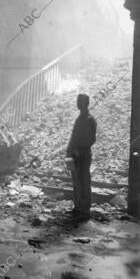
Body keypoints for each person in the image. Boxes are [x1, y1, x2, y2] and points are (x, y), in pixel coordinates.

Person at [66, 93, 96, 221]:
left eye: (81, 101)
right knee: (76, 181)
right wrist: (69, 151)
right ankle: (78, 206)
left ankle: (84, 209)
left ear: (86, 103)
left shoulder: (90, 120)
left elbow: (91, 140)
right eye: (78, 101)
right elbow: (73, 137)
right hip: (75, 155)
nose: (78, 103)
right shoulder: (79, 119)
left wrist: (79, 149)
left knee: (84, 181)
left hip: (83, 155)